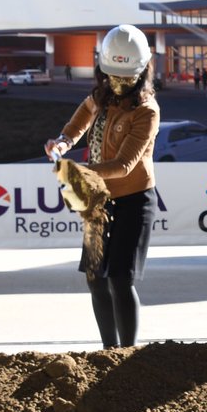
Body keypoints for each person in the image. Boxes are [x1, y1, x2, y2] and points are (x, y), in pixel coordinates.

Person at [44, 24, 161, 349]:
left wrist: (76, 171)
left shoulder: (147, 111)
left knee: (120, 280)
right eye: (112, 76)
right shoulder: (102, 94)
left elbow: (124, 165)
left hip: (134, 200)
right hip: (98, 200)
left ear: (142, 72)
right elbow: (84, 114)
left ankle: (126, 354)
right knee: (95, 278)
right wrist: (65, 141)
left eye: (125, 78)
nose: (118, 84)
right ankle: (108, 352)